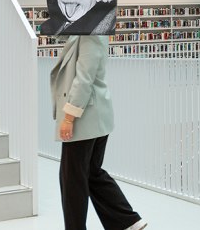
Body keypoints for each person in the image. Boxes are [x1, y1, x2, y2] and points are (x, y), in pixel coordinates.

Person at [51, 34, 148, 230]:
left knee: (72, 181)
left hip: (85, 118)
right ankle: (128, 222)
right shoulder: (86, 32)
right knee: (91, 173)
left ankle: (124, 222)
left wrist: (69, 117)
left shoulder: (91, 35)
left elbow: (84, 78)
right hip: (93, 117)